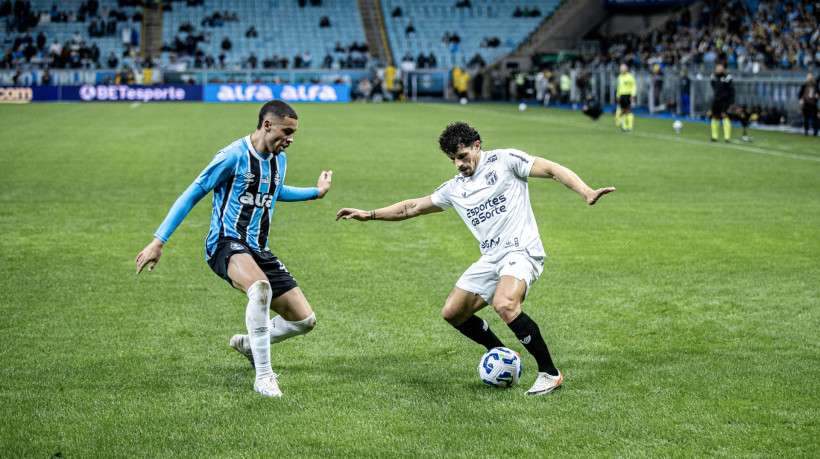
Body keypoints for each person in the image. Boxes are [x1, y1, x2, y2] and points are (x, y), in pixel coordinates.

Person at [335, 122, 615, 395]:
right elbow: (413, 207)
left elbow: (552, 169)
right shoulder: (454, 188)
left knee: (504, 304)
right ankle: (500, 353)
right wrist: (368, 214)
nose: (459, 164)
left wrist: (586, 191)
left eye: (462, 156)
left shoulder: (506, 160)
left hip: (522, 250)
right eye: (452, 159)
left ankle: (549, 373)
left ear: (477, 146)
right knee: (454, 313)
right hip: (492, 256)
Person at [135, 100, 333, 398]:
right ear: (267, 125)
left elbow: (275, 191)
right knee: (261, 289)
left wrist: (315, 193)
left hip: (259, 248)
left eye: (294, 133)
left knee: (304, 320)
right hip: (225, 243)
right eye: (287, 131)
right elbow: (192, 193)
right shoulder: (232, 156)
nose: (291, 139)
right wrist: (158, 241)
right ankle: (264, 377)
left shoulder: (279, 159)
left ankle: (247, 343)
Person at [710, 63, 734, 142]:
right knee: (715, 116)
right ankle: (714, 136)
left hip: (725, 100)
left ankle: (727, 137)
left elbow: (732, 91)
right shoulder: (714, 77)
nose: (719, 69)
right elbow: (713, 86)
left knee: (724, 115)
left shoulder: (727, 77)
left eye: (720, 67)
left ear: (724, 68)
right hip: (716, 100)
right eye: (717, 67)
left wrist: (731, 103)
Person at [616, 63, 636, 132]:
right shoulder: (620, 77)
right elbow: (619, 87)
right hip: (622, 95)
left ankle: (630, 127)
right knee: (623, 111)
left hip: (628, 95)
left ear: (626, 69)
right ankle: (624, 127)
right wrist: (618, 95)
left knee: (629, 110)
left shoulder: (630, 77)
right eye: (621, 69)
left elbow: (633, 86)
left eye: (623, 69)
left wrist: (633, 95)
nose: (622, 70)